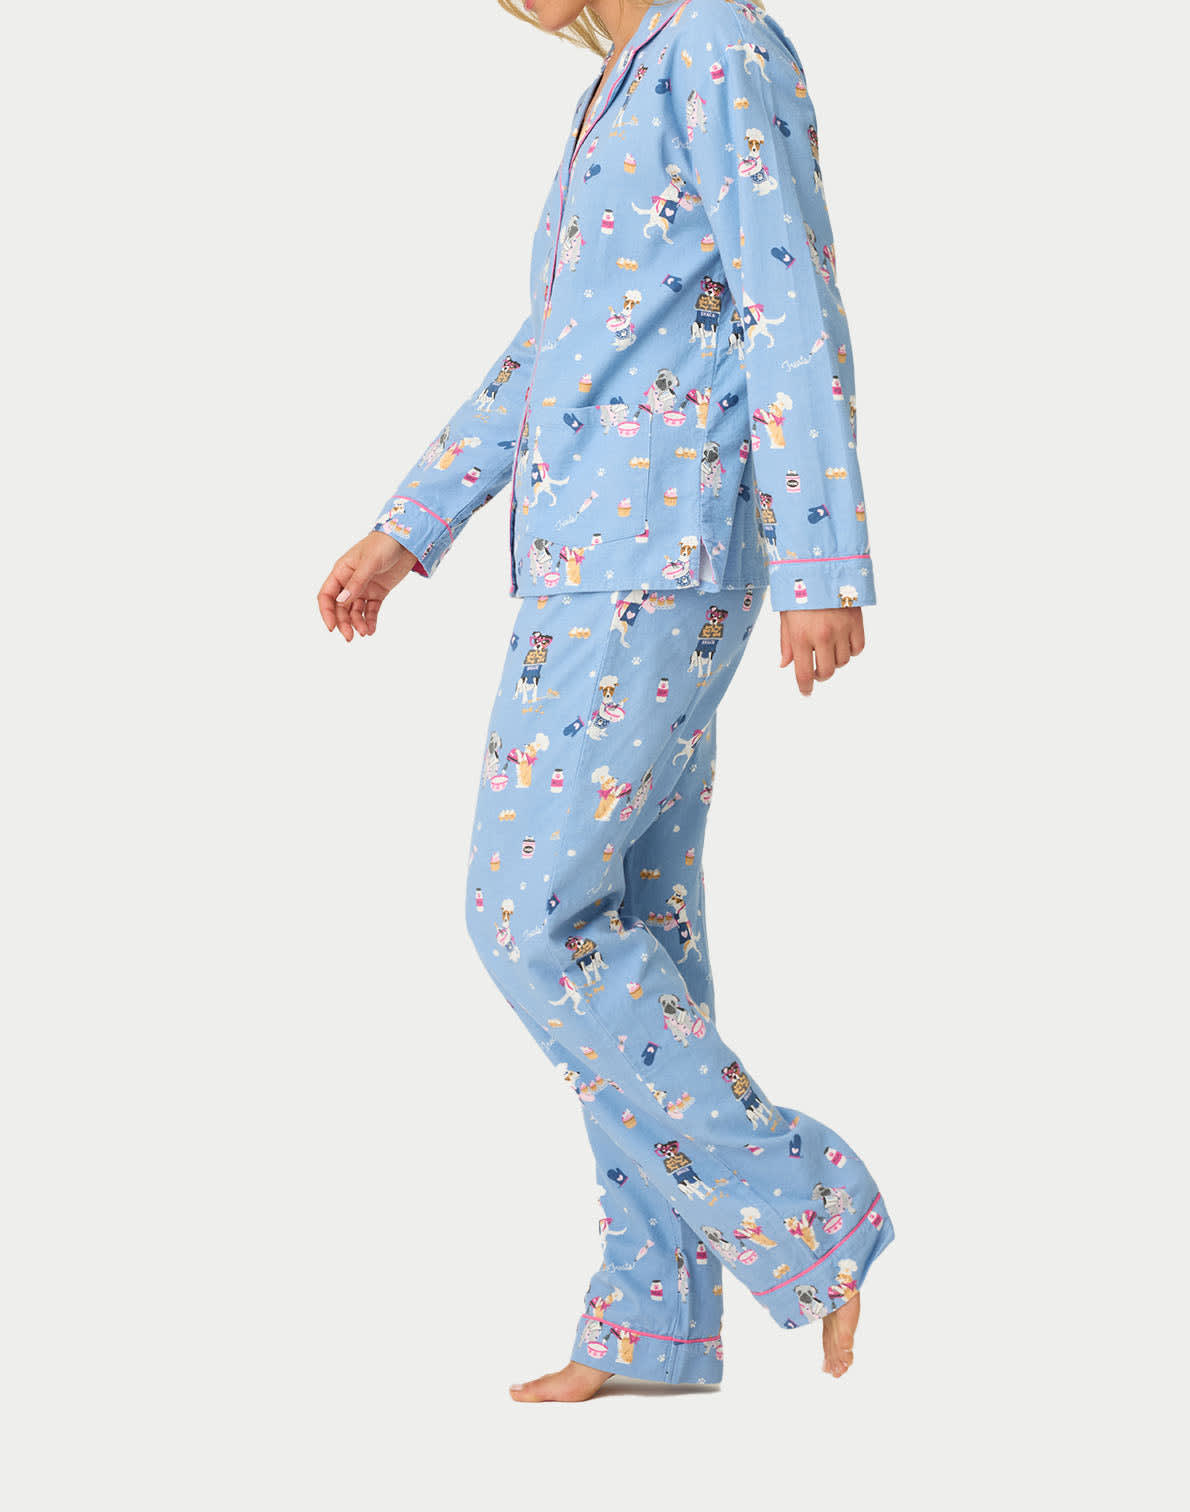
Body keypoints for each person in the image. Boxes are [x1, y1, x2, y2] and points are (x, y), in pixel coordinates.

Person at [317, 0, 893, 1402]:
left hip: (654, 554)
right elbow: (556, 348)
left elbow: (790, 304)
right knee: (634, 934)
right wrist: (410, 525)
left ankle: (809, 1206)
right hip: (593, 556)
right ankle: (652, 1317)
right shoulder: (627, 81)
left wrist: (822, 558)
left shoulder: (716, 46)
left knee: (529, 916)